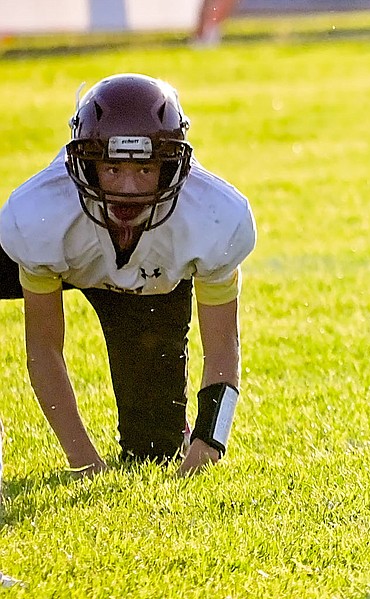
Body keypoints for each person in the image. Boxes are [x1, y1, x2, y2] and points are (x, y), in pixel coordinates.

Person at [0, 73, 256, 476]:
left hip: (148, 290)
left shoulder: (213, 217)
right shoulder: (40, 214)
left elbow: (224, 348)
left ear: (171, 167)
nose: (128, 188)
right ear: (87, 165)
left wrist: (210, 439)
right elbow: (44, 350)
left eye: (145, 169)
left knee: (153, 448)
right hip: (67, 255)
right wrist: (83, 460)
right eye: (113, 168)